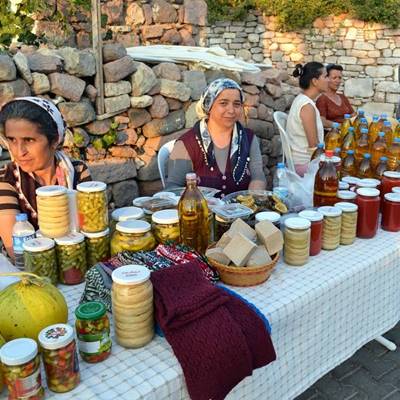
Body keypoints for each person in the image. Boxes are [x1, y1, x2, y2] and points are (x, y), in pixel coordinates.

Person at [0, 97, 91, 258]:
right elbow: (17, 251)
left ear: (54, 140)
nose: (19, 152)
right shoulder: (6, 180)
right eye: (12, 140)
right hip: (32, 271)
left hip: (79, 262)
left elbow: (91, 227)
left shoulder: (77, 171)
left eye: (29, 140)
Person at [166, 78, 266, 196]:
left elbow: (258, 176)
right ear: (209, 106)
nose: (231, 110)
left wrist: (252, 201)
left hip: (241, 211)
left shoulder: (248, 139)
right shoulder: (187, 144)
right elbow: (172, 189)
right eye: (223, 103)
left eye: (237, 104)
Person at [286, 62, 328, 176]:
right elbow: (313, 146)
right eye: (325, 76)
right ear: (314, 81)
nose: (328, 80)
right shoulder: (306, 106)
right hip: (304, 165)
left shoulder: (304, 101)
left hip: (305, 162)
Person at [316, 64, 354, 128]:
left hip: (347, 132)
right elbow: (322, 121)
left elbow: (353, 115)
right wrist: (341, 127)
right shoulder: (322, 99)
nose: (338, 81)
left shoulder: (342, 97)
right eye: (334, 78)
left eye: (339, 78)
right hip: (332, 134)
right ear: (326, 78)